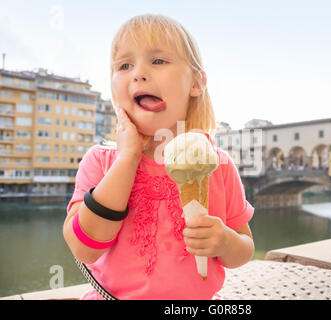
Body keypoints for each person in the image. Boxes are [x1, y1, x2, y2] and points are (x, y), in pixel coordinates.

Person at [63, 13, 255, 300]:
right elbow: (85, 248)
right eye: (124, 65)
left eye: (158, 61)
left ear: (196, 83)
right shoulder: (100, 161)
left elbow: (245, 248)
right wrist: (127, 158)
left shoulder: (218, 164)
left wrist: (225, 242)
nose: (139, 73)